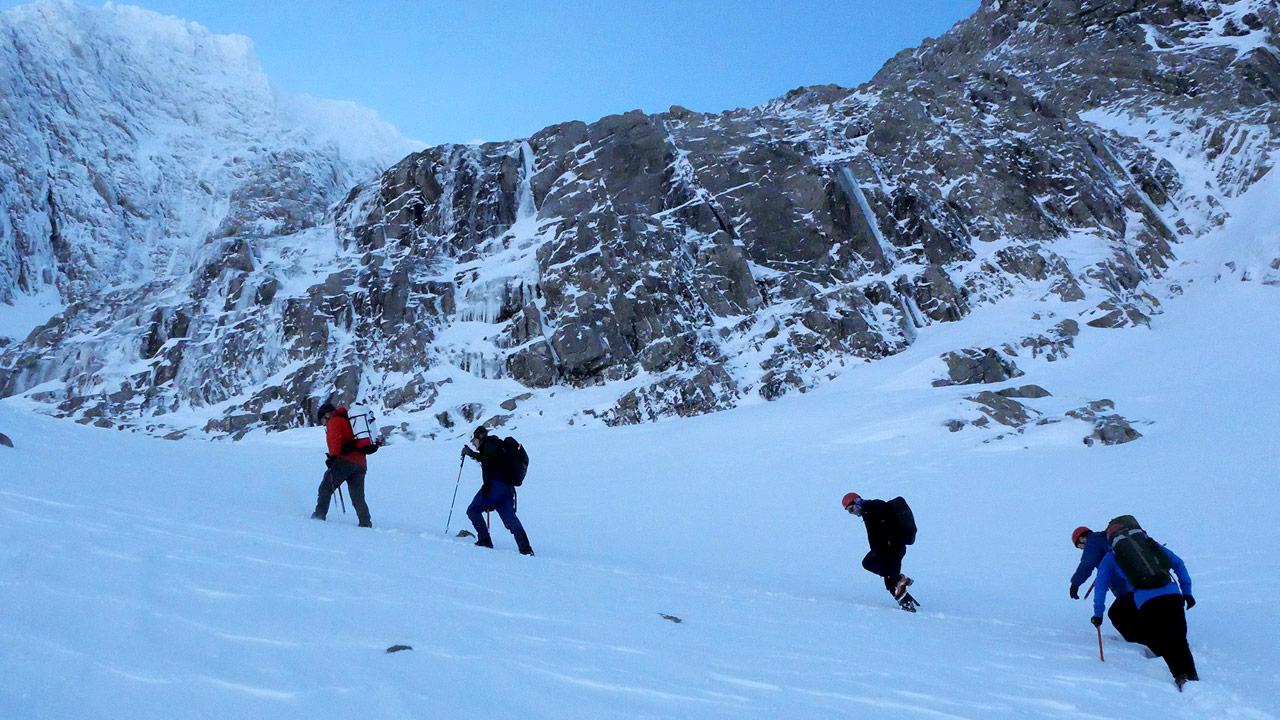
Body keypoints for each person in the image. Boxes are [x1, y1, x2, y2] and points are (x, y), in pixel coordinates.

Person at [1092, 527, 1198, 689]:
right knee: (1179, 637)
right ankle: (1192, 676)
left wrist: (1098, 614)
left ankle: (1180, 677)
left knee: (1164, 638)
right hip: (1172, 595)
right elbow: (1179, 564)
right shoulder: (1151, 546)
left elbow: (1101, 586)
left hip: (1147, 601)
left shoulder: (1111, 556)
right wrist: (1187, 593)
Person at [462, 426, 533, 556]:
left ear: (480, 437)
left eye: (474, 440)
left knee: (473, 510)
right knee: (510, 519)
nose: (473, 443)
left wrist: (470, 453)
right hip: (507, 489)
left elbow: (490, 459)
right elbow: (490, 459)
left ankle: (484, 540)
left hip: (496, 486)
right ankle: (526, 549)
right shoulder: (496, 445)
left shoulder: (490, 443)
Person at [311, 402, 380, 528]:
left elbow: (335, 440)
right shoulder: (349, 420)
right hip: (361, 463)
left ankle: (319, 516)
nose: (323, 424)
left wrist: (333, 457)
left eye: (322, 420)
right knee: (358, 497)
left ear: (326, 415)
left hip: (344, 461)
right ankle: (365, 522)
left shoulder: (334, 421)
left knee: (325, 488)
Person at [1072, 526, 1143, 645]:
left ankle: (1140, 643)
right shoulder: (1107, 539)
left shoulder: (1093, 541)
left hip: (1128, 588)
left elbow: (1086, 564)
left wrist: (1075, 583)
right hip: (1142, 582)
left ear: (1082, 538)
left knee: (1119, 614)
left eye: (1080, 546)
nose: (1083, 549)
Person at [843, 492, 914, 608]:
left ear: (857, 502)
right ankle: (907, 602)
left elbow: (879, 533)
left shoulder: (871, 510)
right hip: (894, 547)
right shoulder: (872, 508)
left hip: (891, 548)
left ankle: (901, 582)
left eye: (852, 509)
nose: (854, 513)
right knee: (891, 582)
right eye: (850, 512)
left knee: (868, 563)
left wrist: (879, 549)